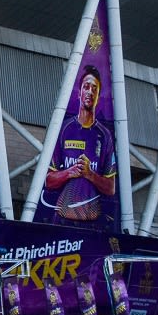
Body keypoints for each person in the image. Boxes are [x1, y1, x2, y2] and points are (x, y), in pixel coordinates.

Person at [44, 65, 117, 226]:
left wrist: (89, 174)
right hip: (61, 221)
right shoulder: (63, 129)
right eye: (86, 87)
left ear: (98, 96)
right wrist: (71, 172)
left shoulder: (105, 135)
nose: (90, 91)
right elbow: (48, 180)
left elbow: (111, 188)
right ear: (79, 93)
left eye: (94, 88)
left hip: (92, 223)